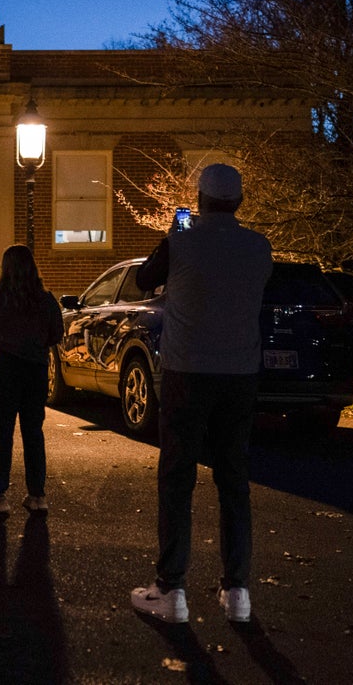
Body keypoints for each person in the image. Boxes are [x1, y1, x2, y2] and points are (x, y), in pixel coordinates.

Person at [129, 163, 272, 625]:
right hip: (239, 373)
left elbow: (143, 281)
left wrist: (175, 233)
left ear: (201, 199)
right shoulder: (258, 247)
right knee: (233, 479)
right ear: (239, 203)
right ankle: (237, 590)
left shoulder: (181, 240)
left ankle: (171, 587)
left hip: (187, 370)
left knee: (177, 477)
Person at [0, 244, 64, 516]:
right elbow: (57, 332)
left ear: (6, 268)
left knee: (3, 433)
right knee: (33, 432)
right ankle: (37, 494)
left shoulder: (0, 296)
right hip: (36, 370)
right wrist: (39, 343)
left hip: (7, 367)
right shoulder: (45, 299)